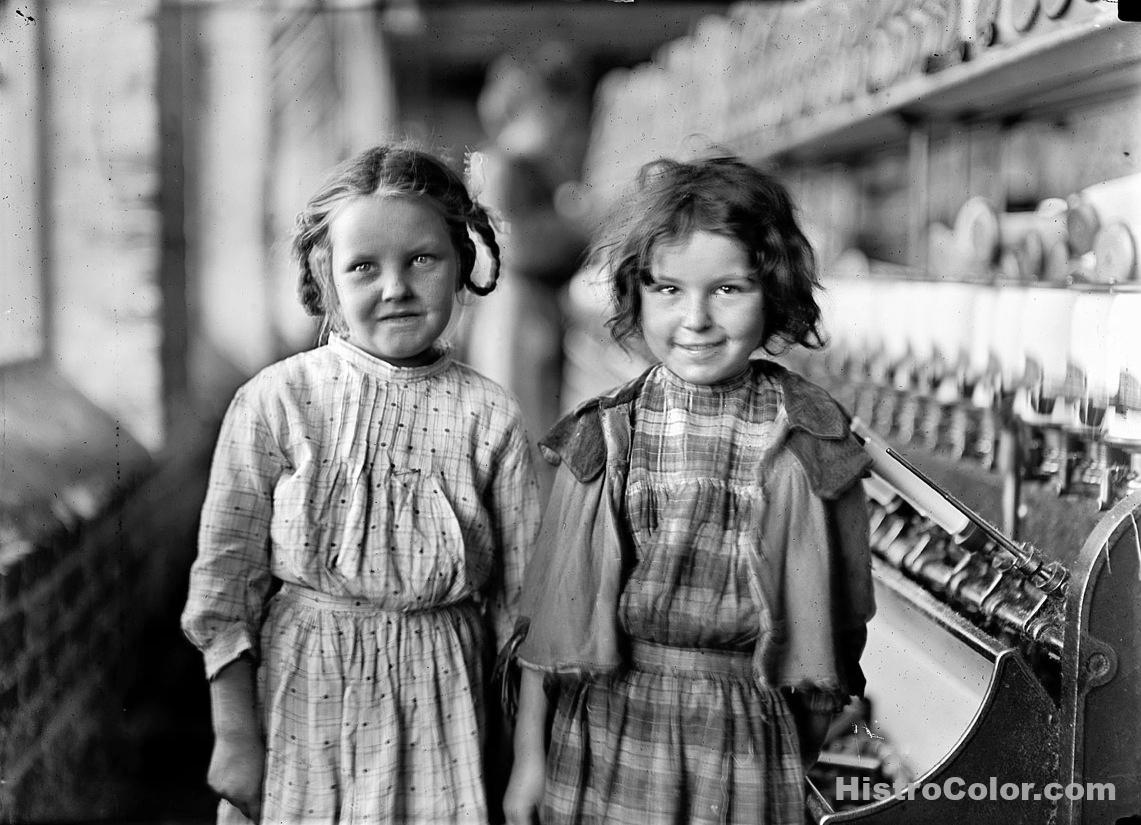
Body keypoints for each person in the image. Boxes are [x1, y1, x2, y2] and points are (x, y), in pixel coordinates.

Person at [502, 156, 876, 825]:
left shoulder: (813, 439)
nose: (696, 318)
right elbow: (550, 624)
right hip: (610, 724)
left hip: (747, 734)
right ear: (634, 292)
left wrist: (809, 742)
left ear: (775, 288)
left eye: (727, 289)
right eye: (668, 289)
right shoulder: (604, 434)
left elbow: (842, 623)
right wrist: (530, 760)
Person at [181, 144, 542, 825]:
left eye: (421, 260)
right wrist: (234, 735)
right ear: (327, 279)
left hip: (445, 705)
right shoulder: (277, 402)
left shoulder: (490, 416)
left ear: (461, 264)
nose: (395, 287)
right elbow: (223, 588)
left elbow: (521, 610)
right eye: (363, 267)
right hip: (304, 698)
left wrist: (523, 756)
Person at [461, 42, 592, 454]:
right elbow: (515, 245)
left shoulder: (518, 164)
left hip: (522, 308)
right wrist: (579, 224)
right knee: (524, 427)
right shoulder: (507, 164)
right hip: (515, 310)